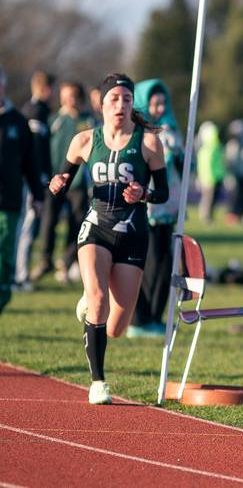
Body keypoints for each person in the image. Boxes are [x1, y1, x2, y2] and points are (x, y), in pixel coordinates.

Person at [48, 73, 167, 404]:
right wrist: (56, 184)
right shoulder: (85, 141)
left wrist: (143, 193)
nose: (120, 105)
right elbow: (62, 178)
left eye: (126, 100)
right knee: (99, 299)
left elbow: (163, 193)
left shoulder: (148, 143)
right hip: (96, 227)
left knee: (116, 326)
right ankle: (98, 382)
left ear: (132, 105)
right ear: (101, 104)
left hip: (132, 234)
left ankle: (90, 304)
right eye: (114, 99)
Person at [129, 79, 184, 338]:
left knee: (165, 266)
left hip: (169, 208)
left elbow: (185, 170)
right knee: (151, 264)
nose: (160, 107)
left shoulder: (172, 131)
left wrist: (180, 155)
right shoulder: (140, 133)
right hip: (149, 208)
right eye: (154, 103)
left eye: (163, 102)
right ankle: (141, 319)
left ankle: (156, 316)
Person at [31, 81, 94, 283]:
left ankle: (65, 263)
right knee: (49, 222)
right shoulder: (54, 120)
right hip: (55, 182)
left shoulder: (88, 121)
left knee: (77, 224)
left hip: (78, 185)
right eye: (65, 95)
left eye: (73, 95)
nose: (69, 99)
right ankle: (45, 260)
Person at [0, 65, 44, 315]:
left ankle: (3, 294)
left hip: (8, 202)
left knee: (4, 259)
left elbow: (31, 163)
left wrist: (37, 197)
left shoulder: (18, 122)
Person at [15, 70, 55, 291]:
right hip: (31, 180)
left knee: (28, 227)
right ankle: (19, 276)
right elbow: (35, 149)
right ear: (45, 88)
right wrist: (39, 177)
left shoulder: (38, 110)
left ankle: (19, 275)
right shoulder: (35, 112)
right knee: (26, 227)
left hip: (33, 179)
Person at [195, 121, 225, 225]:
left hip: (215, 177)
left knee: (212, 199)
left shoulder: (215, 147)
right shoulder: (209, 148)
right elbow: (206, 165)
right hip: (209, 178)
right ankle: (206, 217)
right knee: (208, 199)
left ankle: (209, 217)